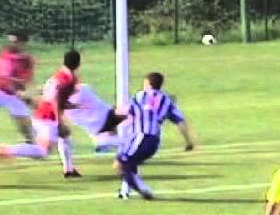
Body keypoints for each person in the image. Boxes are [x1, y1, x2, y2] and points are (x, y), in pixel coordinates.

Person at [0, 49, 83, 177]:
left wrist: (70, 106)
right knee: (42, 151)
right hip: (47, 118)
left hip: (44, 114)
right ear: (78, 64)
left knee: (65, 136)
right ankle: (9, 150)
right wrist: (59, 121)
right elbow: (55, 99)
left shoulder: (59, 76)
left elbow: (51, 96)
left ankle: (69, 170)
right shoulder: (67, 79)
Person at [117, 72, 196, 200]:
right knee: (130, 161)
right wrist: (188, 142)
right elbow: (180, 122)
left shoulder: (139, 96)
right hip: (153, 142)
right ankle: (124, 191)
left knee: (122, 162)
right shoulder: (167, 101)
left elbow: (125, 113)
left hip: (140, 137)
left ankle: (143, 189)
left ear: (147, 83)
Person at [66, 83, 128, 153]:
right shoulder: (83, 89)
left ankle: (104, 144)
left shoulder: (66, 110)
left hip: (99, 127)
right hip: (107, 117)